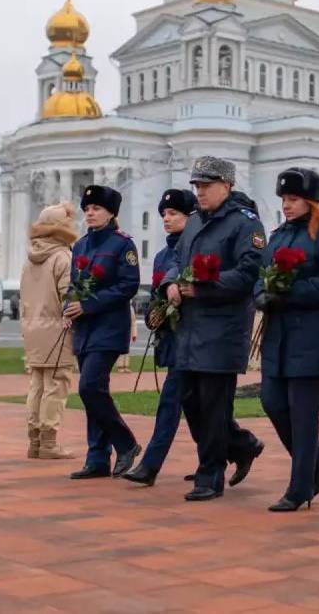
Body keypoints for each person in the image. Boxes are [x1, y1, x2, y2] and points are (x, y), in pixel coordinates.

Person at [165, 157, 265, 501]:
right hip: (191, 329)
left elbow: (250, 272)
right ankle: (241, 445)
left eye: (206, 185)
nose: (200, 192)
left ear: (227, 185)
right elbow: (177, 259)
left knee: (213, 405)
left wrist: (204, 288)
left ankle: (210, 475)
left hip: (223, 328)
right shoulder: (195, 222)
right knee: (191, 403)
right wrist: (171, 282)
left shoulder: (245, 224)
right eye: (197, 186)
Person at [256, 168, 319, 511]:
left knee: (303, 415)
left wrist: (289, 293)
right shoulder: (278, 235)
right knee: (272, 402)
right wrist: (261, 296)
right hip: (278, 336)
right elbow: (261, 274)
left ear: (310, 201)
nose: (286, 205)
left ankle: (299, 489)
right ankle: (317, 458)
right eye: (284, 199)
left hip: (313, 335)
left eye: (293, 199)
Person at [123, 189, 198, 487]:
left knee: (171, 400)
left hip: (194, 337)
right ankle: (239, 446)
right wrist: (156, 313)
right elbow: (157, 294)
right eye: (164, 214)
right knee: (196, 406)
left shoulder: (197, 248)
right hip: (172, 337)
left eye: (173, 213)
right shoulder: (161, 256)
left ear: (190, 217)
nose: (166, 219)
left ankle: (150, 465)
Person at [67, 185, 143, 479]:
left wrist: (89, 305)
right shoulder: (80, 245)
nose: (90, 213)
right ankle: (97, 458)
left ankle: (126, 443)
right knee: (93, 393)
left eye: (96, 208)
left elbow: (128, 285)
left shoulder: (123, 244)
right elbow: (74, 284)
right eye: (87, 209)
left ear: (111, 213)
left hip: (109, 328)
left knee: (89, 387)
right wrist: (69, 307)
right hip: (84, 329)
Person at [20, 202, 79, 459]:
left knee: (36, 385)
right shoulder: (62, 257)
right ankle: (49, 442)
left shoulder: (30, 258)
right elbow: (69, 296)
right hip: (57, 329)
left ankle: (34, 441)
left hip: (33, 328)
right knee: (56, 385)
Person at [115, 307, 137, 373]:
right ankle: (120, 366)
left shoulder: (131, 308)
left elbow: (134, 321)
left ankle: (125, 366)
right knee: (120, 349)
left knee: (127, 349)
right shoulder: (118, 307)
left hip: (128, 332)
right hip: (120, 331)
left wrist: (134, 334)